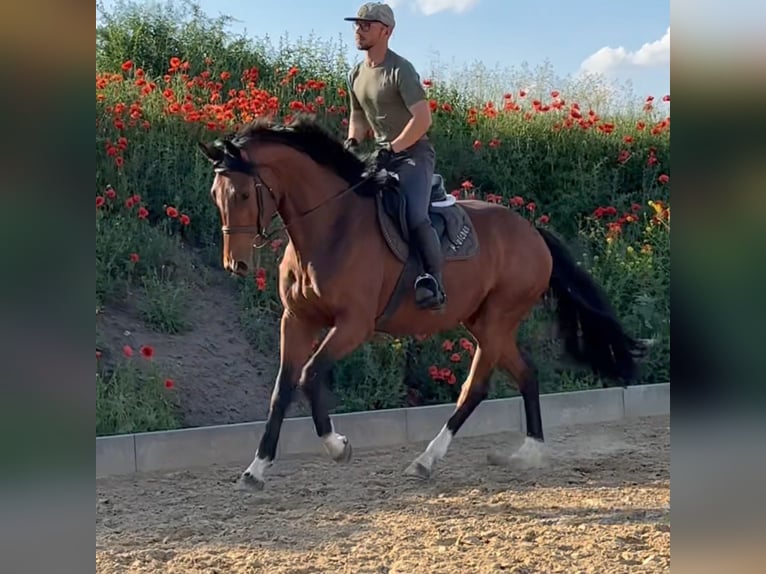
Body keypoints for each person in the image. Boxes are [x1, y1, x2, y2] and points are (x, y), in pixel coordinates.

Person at [342, 2, 446, 311]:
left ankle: (433, 281)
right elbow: (357, 117)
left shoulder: (401, 69)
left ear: (386, 31)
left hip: (413, 154)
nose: (359, 30)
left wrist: (393, 148)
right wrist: (351, 141)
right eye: (357, 24)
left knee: (414, 213)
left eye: (367, 25)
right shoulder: (355, 74)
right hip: (380, 154)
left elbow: (422, 120)